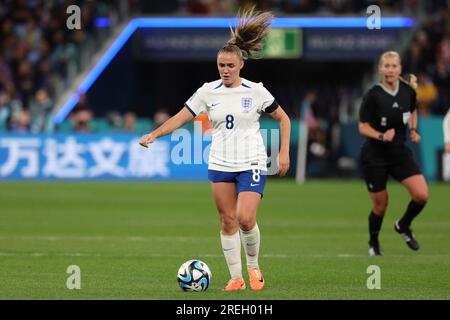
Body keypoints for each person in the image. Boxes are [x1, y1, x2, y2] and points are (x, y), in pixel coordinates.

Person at [139, 7, 291, 291]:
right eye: (221, 65)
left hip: (252, 162)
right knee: (227, 219)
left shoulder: (256, 91)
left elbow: (283, 118)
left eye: (230, 65)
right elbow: (181, 117)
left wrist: (283, 152)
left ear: (241, 65)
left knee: (246, 218)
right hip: (220, 162)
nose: (225, 70)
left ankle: (254, 266)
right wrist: (155, 134)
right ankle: (236, 278)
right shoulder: (208, 91)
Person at [358, 51, 429, 256]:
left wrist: (414, 130)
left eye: (393, 66)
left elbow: (413, 110)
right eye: (386, 66)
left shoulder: (408, 91)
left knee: (422, 195)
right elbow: (362, 127)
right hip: (375, 156)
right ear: (380, 69)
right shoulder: (373, 94)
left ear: (400, 69)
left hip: (399, 153)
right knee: (381, 205)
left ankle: (403, 225)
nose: (390, 70)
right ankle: (374, 242)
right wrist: (381, 136)